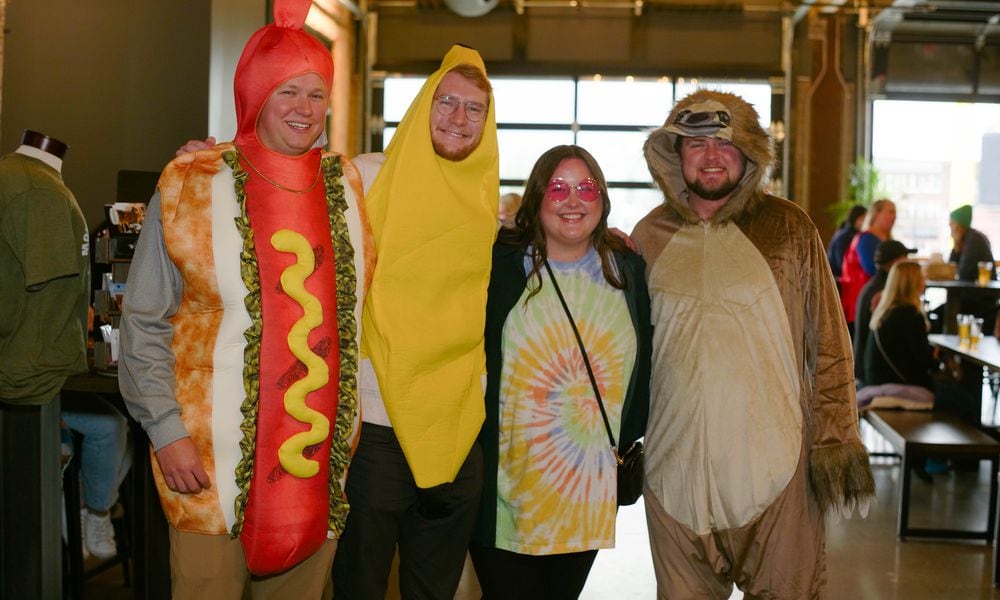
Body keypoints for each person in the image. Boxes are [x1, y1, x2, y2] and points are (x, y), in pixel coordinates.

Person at [118, 0, 372, 596]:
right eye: (287, 92)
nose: (304, 110)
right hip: (207, 462)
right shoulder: (193, 183)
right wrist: (165, 430)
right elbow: (145, 317)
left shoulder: (348, 186)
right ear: (255, 94)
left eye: (315, 93)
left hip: (313, 466)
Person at [632, 89, 875, 599]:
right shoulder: (648, 236)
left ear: (748, 155)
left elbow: (830, 343)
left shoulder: (788, 228)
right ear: (675, 154)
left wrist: (836, 439)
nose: (712, 155)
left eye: (726, 143)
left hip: (776, 475)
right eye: (696, 144)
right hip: (674, 479)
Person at [331, 45, 500, 599]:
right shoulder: (368, 174)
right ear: (424, 104)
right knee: (361, 584)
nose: (458, 118)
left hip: (456, 431)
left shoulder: (485, 196)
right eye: (446, 102)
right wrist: (215, 159)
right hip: (380, 427)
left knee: (435, 589)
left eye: (474, 108)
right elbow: (280, 188)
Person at [468, 145, 651, 599]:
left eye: (586, 188)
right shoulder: (500, 266)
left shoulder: (626, 270)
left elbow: (645, 365)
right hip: (505, 491)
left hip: (585, 494)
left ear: (602, 200)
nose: (574, 200)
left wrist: (630, 433)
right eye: (559, 188)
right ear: (538, 198)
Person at [859, 261, 975, 418]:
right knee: (966, 401)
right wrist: (938, 362)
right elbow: (923, 362)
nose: (924, 282)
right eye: (921, 278)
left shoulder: (885, 312)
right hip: (898, 388)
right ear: (912, 284)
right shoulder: (910, 315)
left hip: (876, 383)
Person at [61, 393, 133, 559]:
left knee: (138, 426)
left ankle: (82, 500)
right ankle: (97, 510)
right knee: (111, 427)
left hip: (68, 386)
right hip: (40, 389)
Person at [853, 240, 915, 384]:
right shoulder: (884, 293)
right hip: (874, 378)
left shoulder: (872, 286)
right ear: (895, 263)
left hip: (863, 369)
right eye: (905, 258)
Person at [840, 198, 896, 336]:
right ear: (876, 213)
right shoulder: (866, 239)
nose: (894, 216)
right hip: (866, 302)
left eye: (895, 212)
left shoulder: (885, 239)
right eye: (890, 212)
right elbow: (873, 269)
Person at [949, 204, 995, 282]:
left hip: (982, 291)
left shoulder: (974, 240)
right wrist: (956, 246)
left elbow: (963, 273)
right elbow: (951, 268)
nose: (950, 228)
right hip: (971, 289)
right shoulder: (964, 240)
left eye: (952, 224)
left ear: (959, 226)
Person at [827, 204, 867, 282]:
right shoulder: (845, 236)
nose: (865, 223)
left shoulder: (847, 233)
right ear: (856, 218)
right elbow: (842, 264)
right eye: (863, 219)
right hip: (838, 281)